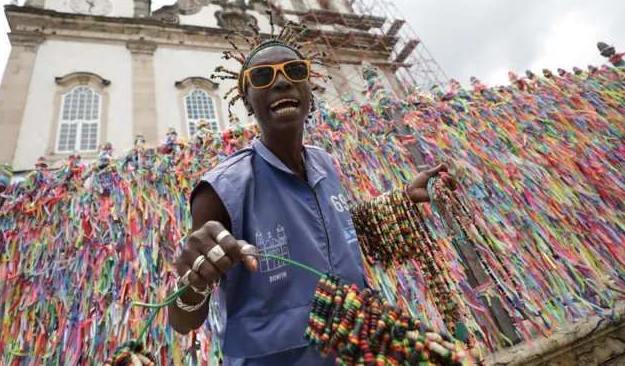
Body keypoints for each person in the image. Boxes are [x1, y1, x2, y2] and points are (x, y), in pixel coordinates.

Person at [168, 23, 457, 365]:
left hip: (358, 354)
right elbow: (184, 320)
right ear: (247, 99)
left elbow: (338, 237)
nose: (281, 81)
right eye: (262, 76)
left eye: (294, 70)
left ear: (309, 87)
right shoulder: (220, 189)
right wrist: (195, 282)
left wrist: (402, 199)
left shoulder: (325, 164)